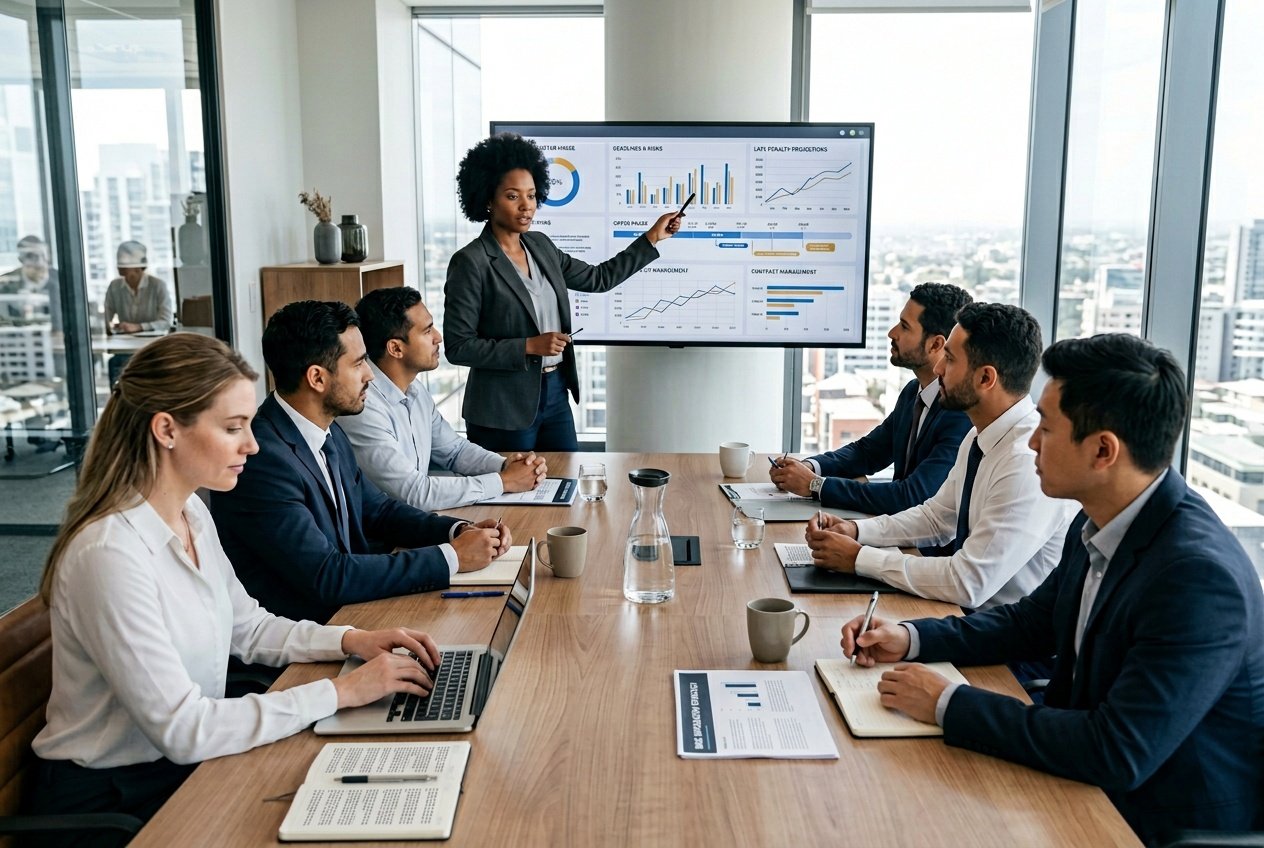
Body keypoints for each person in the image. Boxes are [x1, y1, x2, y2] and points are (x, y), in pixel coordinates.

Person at [844, 333, 1264, 845]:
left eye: (1046, 427)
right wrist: (911, 638)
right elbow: (1030, 622)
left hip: (1149, 821)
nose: (1033, 442)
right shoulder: (1099, 518)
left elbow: (1117, 751)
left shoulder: (1197, 578)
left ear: (1103, 450)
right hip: (1082, 783)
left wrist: (948, 702)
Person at [28, 334, 444, 844]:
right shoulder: (109, 555)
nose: (252, 444)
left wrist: (351, 640)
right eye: (233, 428)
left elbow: (247, 627)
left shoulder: (191, 513)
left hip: (181, 764)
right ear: (167, 431)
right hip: (116, 801)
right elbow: (184, 730)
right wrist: (340, 691)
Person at [210, 300, 510, 627]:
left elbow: (378, 510)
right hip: (306, 639)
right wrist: (452, 557)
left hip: (353, 614)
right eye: (359, 363)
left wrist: (456, 530)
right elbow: (327, 575)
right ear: (317, 378)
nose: (370, 374)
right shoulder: (262, 460)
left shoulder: (329, 431)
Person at [805, 302, 1073, 611]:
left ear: (986, 379)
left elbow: (967, 582)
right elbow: (937, 518)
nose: (937, 369)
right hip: (965, 620)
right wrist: (857, 531)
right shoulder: (978, 436)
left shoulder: (1026, 460)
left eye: (949, 358)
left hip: (1003, 645)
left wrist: (859, 558)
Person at [443, 133, 682, 451]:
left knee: (566, 484)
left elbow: (599, 278)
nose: (526, 206)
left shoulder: (541, 245)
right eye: (513, 196)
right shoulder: (470, 262)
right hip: (502, 408)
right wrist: (528, 346)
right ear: (487, 199)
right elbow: (459, 347)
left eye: (531, 195)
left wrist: (651, 237)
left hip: (555, 391)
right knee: (511, 497)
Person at [770, 282, 973, 515]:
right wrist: (809, 466)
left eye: (905, 327)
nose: (892, 333)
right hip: (896, 531)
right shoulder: (913, 392)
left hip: (922, 547)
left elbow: (913, 496)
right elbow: (868, 452)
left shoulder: (959, 414)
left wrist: (814, 485)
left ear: (936, 344)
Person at [338, 286, 547, 511]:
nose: (438, 337)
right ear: (396, 348)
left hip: (416, 522)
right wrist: (504, 481)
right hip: (385, 536)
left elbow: (455, 451)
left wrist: (506, 465)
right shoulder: (363, 405)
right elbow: (414, 493)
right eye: (427, 331)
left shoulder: (414, 389)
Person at [104, 240, 174, 334]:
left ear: (139, 267)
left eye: (126, 263)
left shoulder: (158, 285)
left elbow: (166, 322)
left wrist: (139, 327)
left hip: (152, 341)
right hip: (123, 340)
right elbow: (105, 318)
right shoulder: (114, 286)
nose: (121, 267)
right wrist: (112, 327)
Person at [0, 234, 61, 329]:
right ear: (21, 259)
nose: (40, 262)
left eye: (43, 256)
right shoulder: (5, 283)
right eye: (31, 256)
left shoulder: (63, 280)